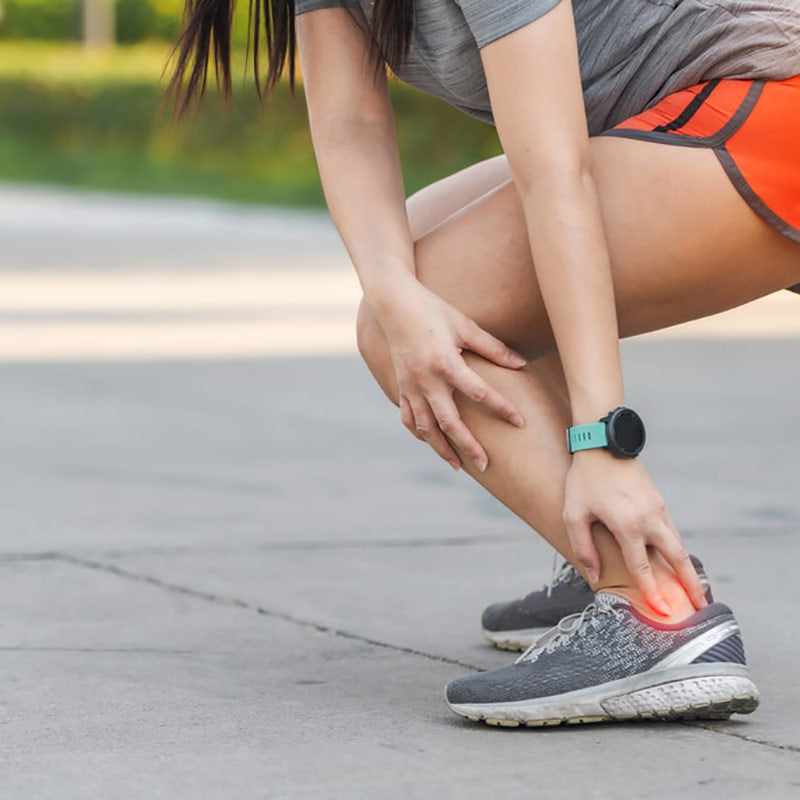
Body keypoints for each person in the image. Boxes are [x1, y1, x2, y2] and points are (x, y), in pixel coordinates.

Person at [166, 0, 800, 726]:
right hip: (689, 124)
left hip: (772, 112)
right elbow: (351, 123)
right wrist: (392, 288)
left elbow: (555, 173)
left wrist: (603, 443)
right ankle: (609, 552)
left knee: (425, 313)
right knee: (409, 290)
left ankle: (651, 613)